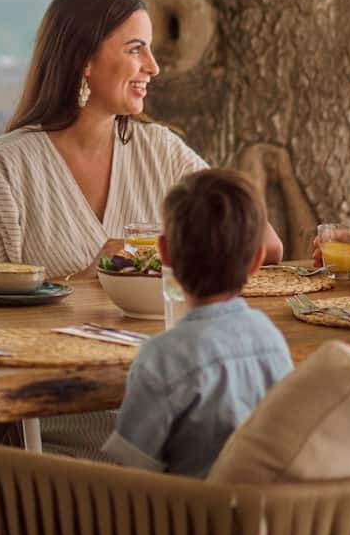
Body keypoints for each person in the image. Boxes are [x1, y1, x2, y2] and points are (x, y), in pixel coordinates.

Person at [0, 0, 284, 454]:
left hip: (170, 405)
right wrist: (90, 275)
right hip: (57, 421)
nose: (152, 66)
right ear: (83, 61)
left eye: (149, 49)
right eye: (135, 50)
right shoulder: (11, 162)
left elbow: (264, 244)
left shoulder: (161, 150)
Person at [101, 168, 293, 478]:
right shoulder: (271, 339)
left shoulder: (160, 357)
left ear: (164, 254)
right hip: (261, 518)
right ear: (257, 260)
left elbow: (130, 471)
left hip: (188, 520)